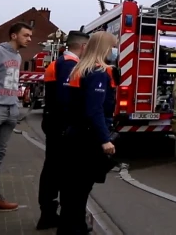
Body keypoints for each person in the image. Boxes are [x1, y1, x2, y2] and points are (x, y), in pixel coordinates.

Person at [57, 32, 118, 235]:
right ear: (104, 48)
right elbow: (94, 110)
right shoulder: (98, 73)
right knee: (81, 188)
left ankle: (70, 227)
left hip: (75, 133)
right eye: (112, 47)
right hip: (88, 137)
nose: (114, 51)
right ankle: (76, 229)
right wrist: (105, 140)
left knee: (71, 188)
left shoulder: (79, 70)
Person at [37, 30, 89, 229]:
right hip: (62, 126)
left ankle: (47, 213)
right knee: (58, 171)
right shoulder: (70, 66)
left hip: (53, 122)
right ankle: (52, 215)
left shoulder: (56, 64)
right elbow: (66, 100)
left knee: (51, 168)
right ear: (83, 47)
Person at [0, 22, 32, 211]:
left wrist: (15, 106)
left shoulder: (17, 56)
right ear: (14, 36)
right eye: (26, 35)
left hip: (10, 110)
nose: (29, 39)